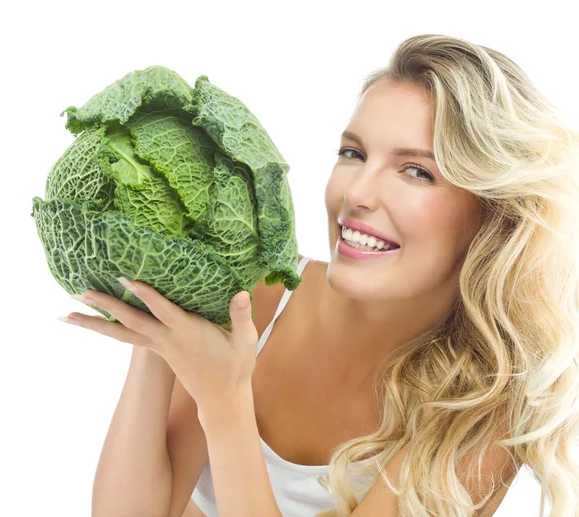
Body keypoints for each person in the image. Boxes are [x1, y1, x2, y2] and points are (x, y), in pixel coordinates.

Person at [77, 34, 579, 517]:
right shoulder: (255, 297)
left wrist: (225, 404)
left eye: (416, 171)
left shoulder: (482, 412)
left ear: (491, 216)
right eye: (353, 153)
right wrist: (158, 320)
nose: (356, 192)